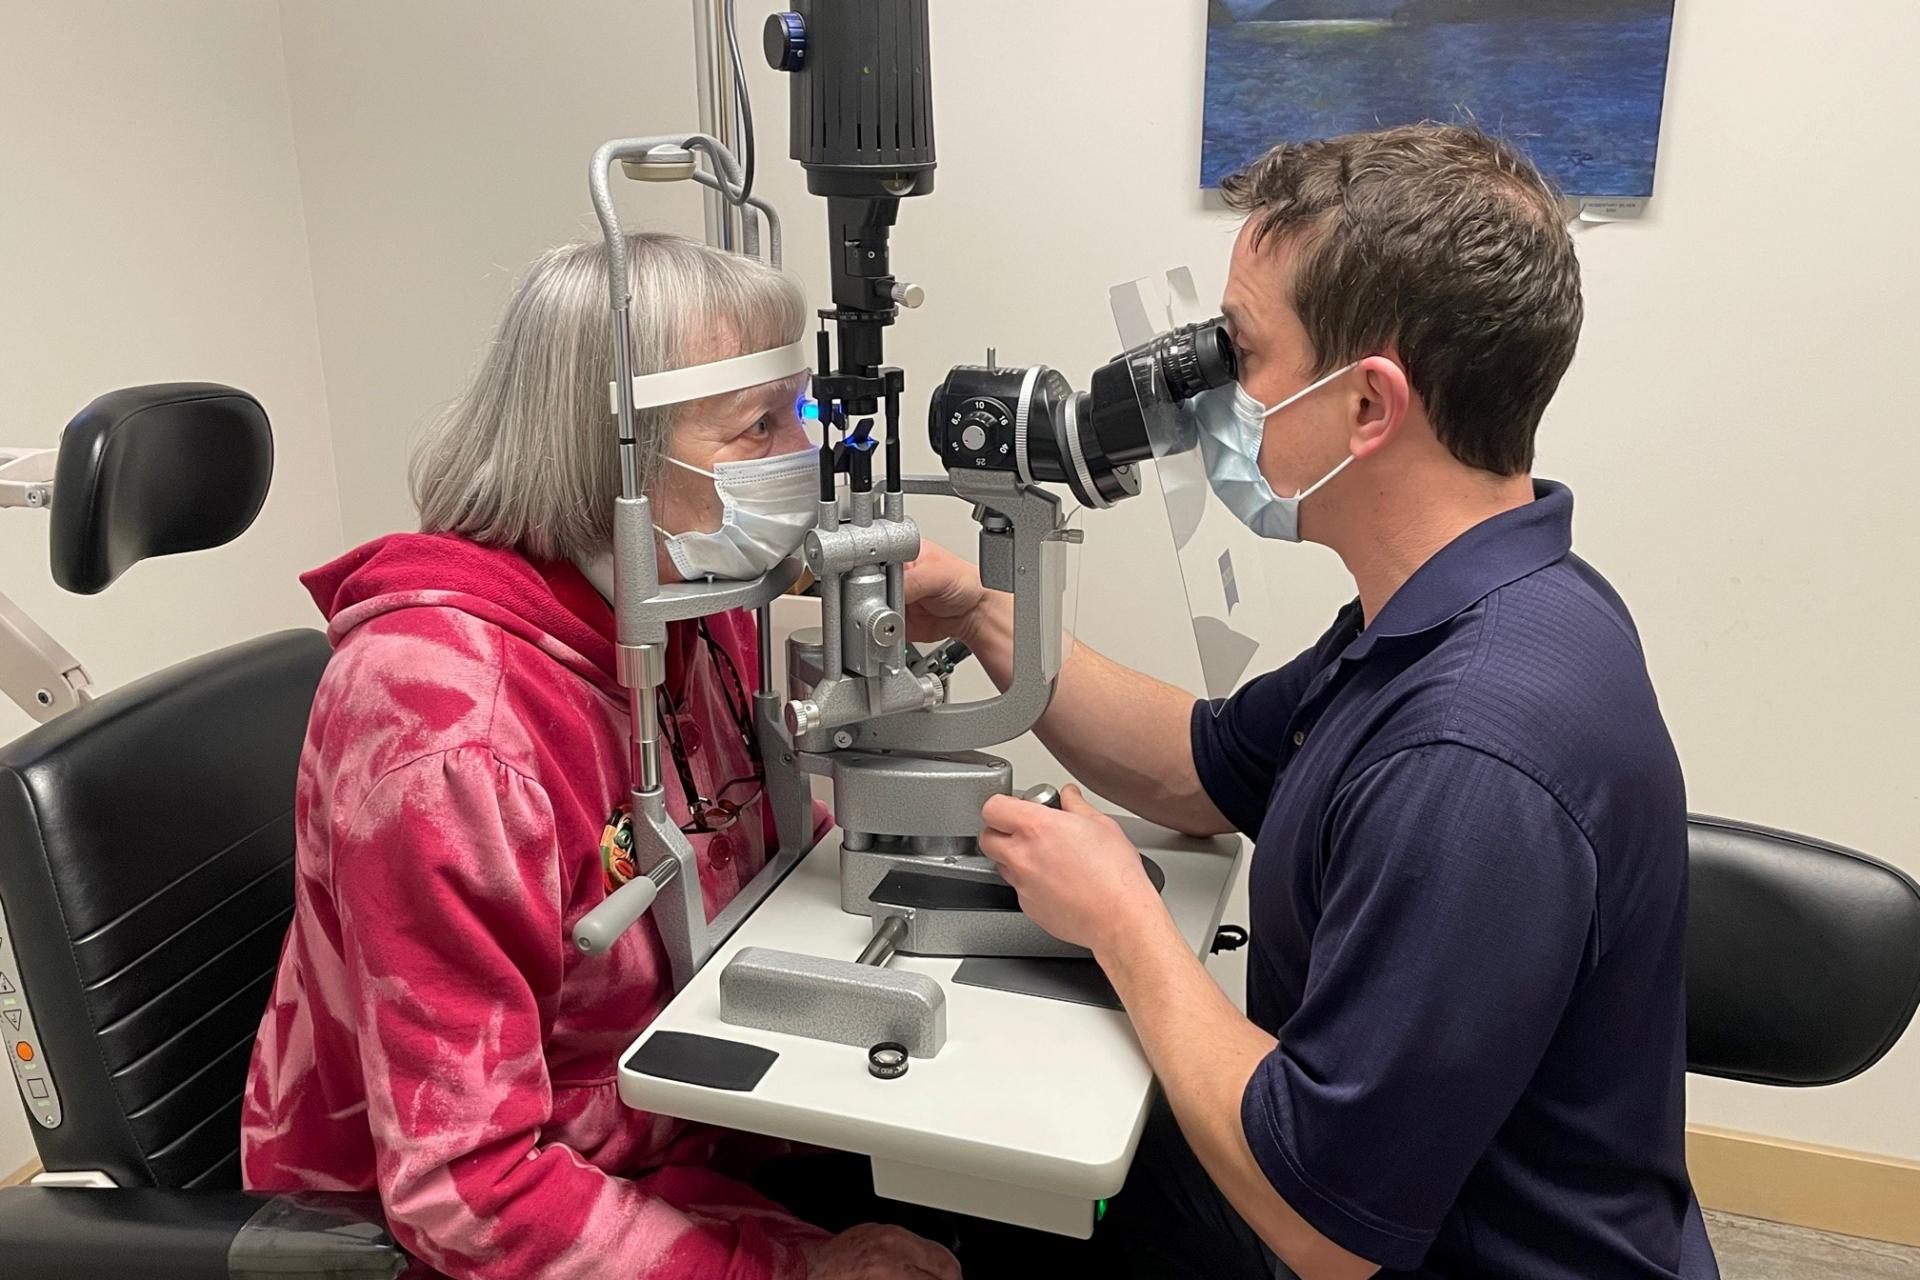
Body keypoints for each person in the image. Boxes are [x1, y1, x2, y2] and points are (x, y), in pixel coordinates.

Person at [906, 125, 1719, 1279]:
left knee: (981, 1204)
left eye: (1238, 353)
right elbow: (1199, 768)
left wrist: (1125, 919)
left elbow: (1323, 1225)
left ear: (1368, 408)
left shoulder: (1473, 746)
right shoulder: (1469, 601)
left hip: (1400, 1244)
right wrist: (987, 614)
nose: (1209, 394)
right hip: (1391, 1193)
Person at [241, 231, 960, 1280]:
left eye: (797, 411)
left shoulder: (691, 609)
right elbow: (468, 1184)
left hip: (694, 1112)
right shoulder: (449, 732)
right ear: (608, 452)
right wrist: (782, 1269)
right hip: (519, 1213)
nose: (801, 455)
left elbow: (773, 856)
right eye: (755, 424)